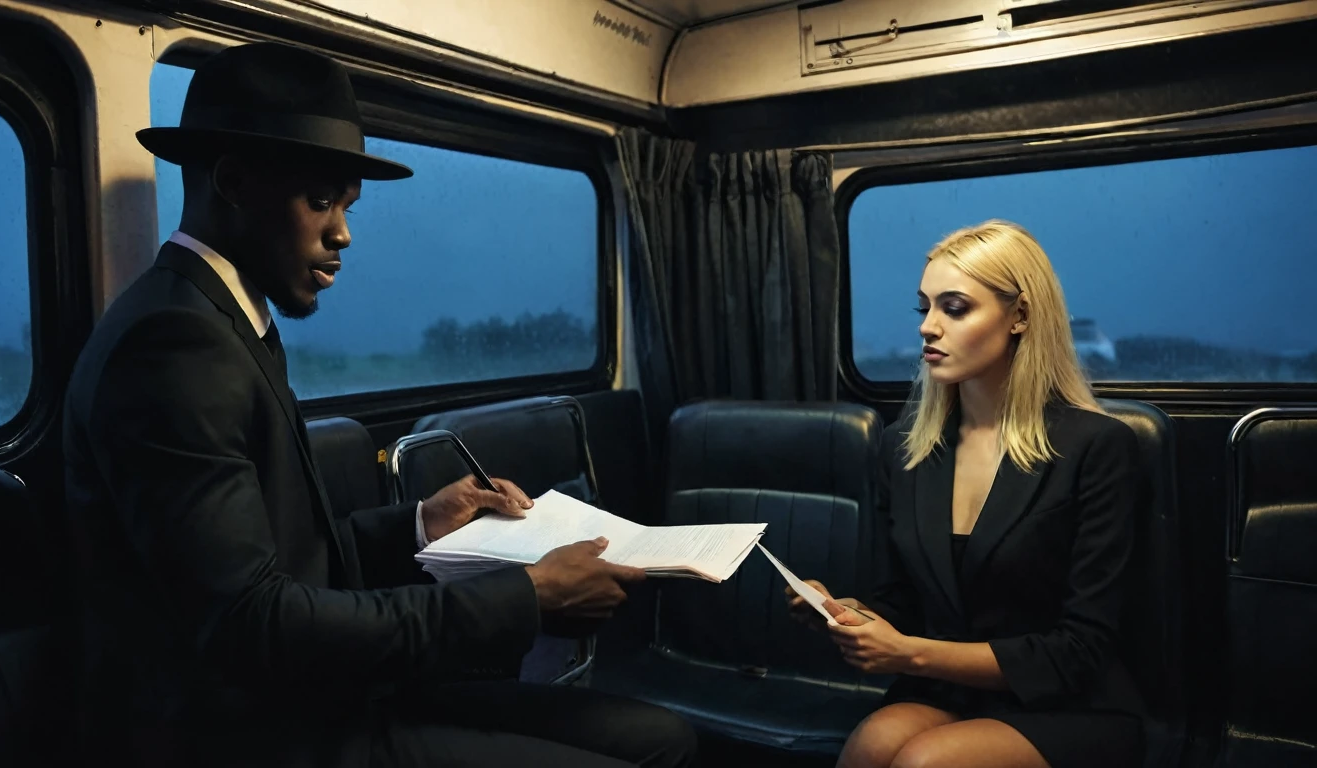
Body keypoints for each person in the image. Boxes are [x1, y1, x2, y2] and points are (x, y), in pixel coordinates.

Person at [62, 42, 695, 768]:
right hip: (258, 735)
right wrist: (525, 597)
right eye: (321, 200)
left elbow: (286, 565)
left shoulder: (224, 321)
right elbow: (248, 621)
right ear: (232, 182)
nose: (343, 234)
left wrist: (424, 522)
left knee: (659, 736)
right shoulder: (173, 344)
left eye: (347, 206)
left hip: (322, 695)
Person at [788, 221, 1145, 768]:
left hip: (1067, 701)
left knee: (924, 762)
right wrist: (848, 612)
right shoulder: (905, 449)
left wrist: (911, 654)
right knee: (870, 746)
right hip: (946, 686)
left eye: (954, 308)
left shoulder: (1097, 447)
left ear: (1021, 316)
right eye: (924, 308)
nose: (928, 328)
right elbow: (903, 600)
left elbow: (1083, 649)